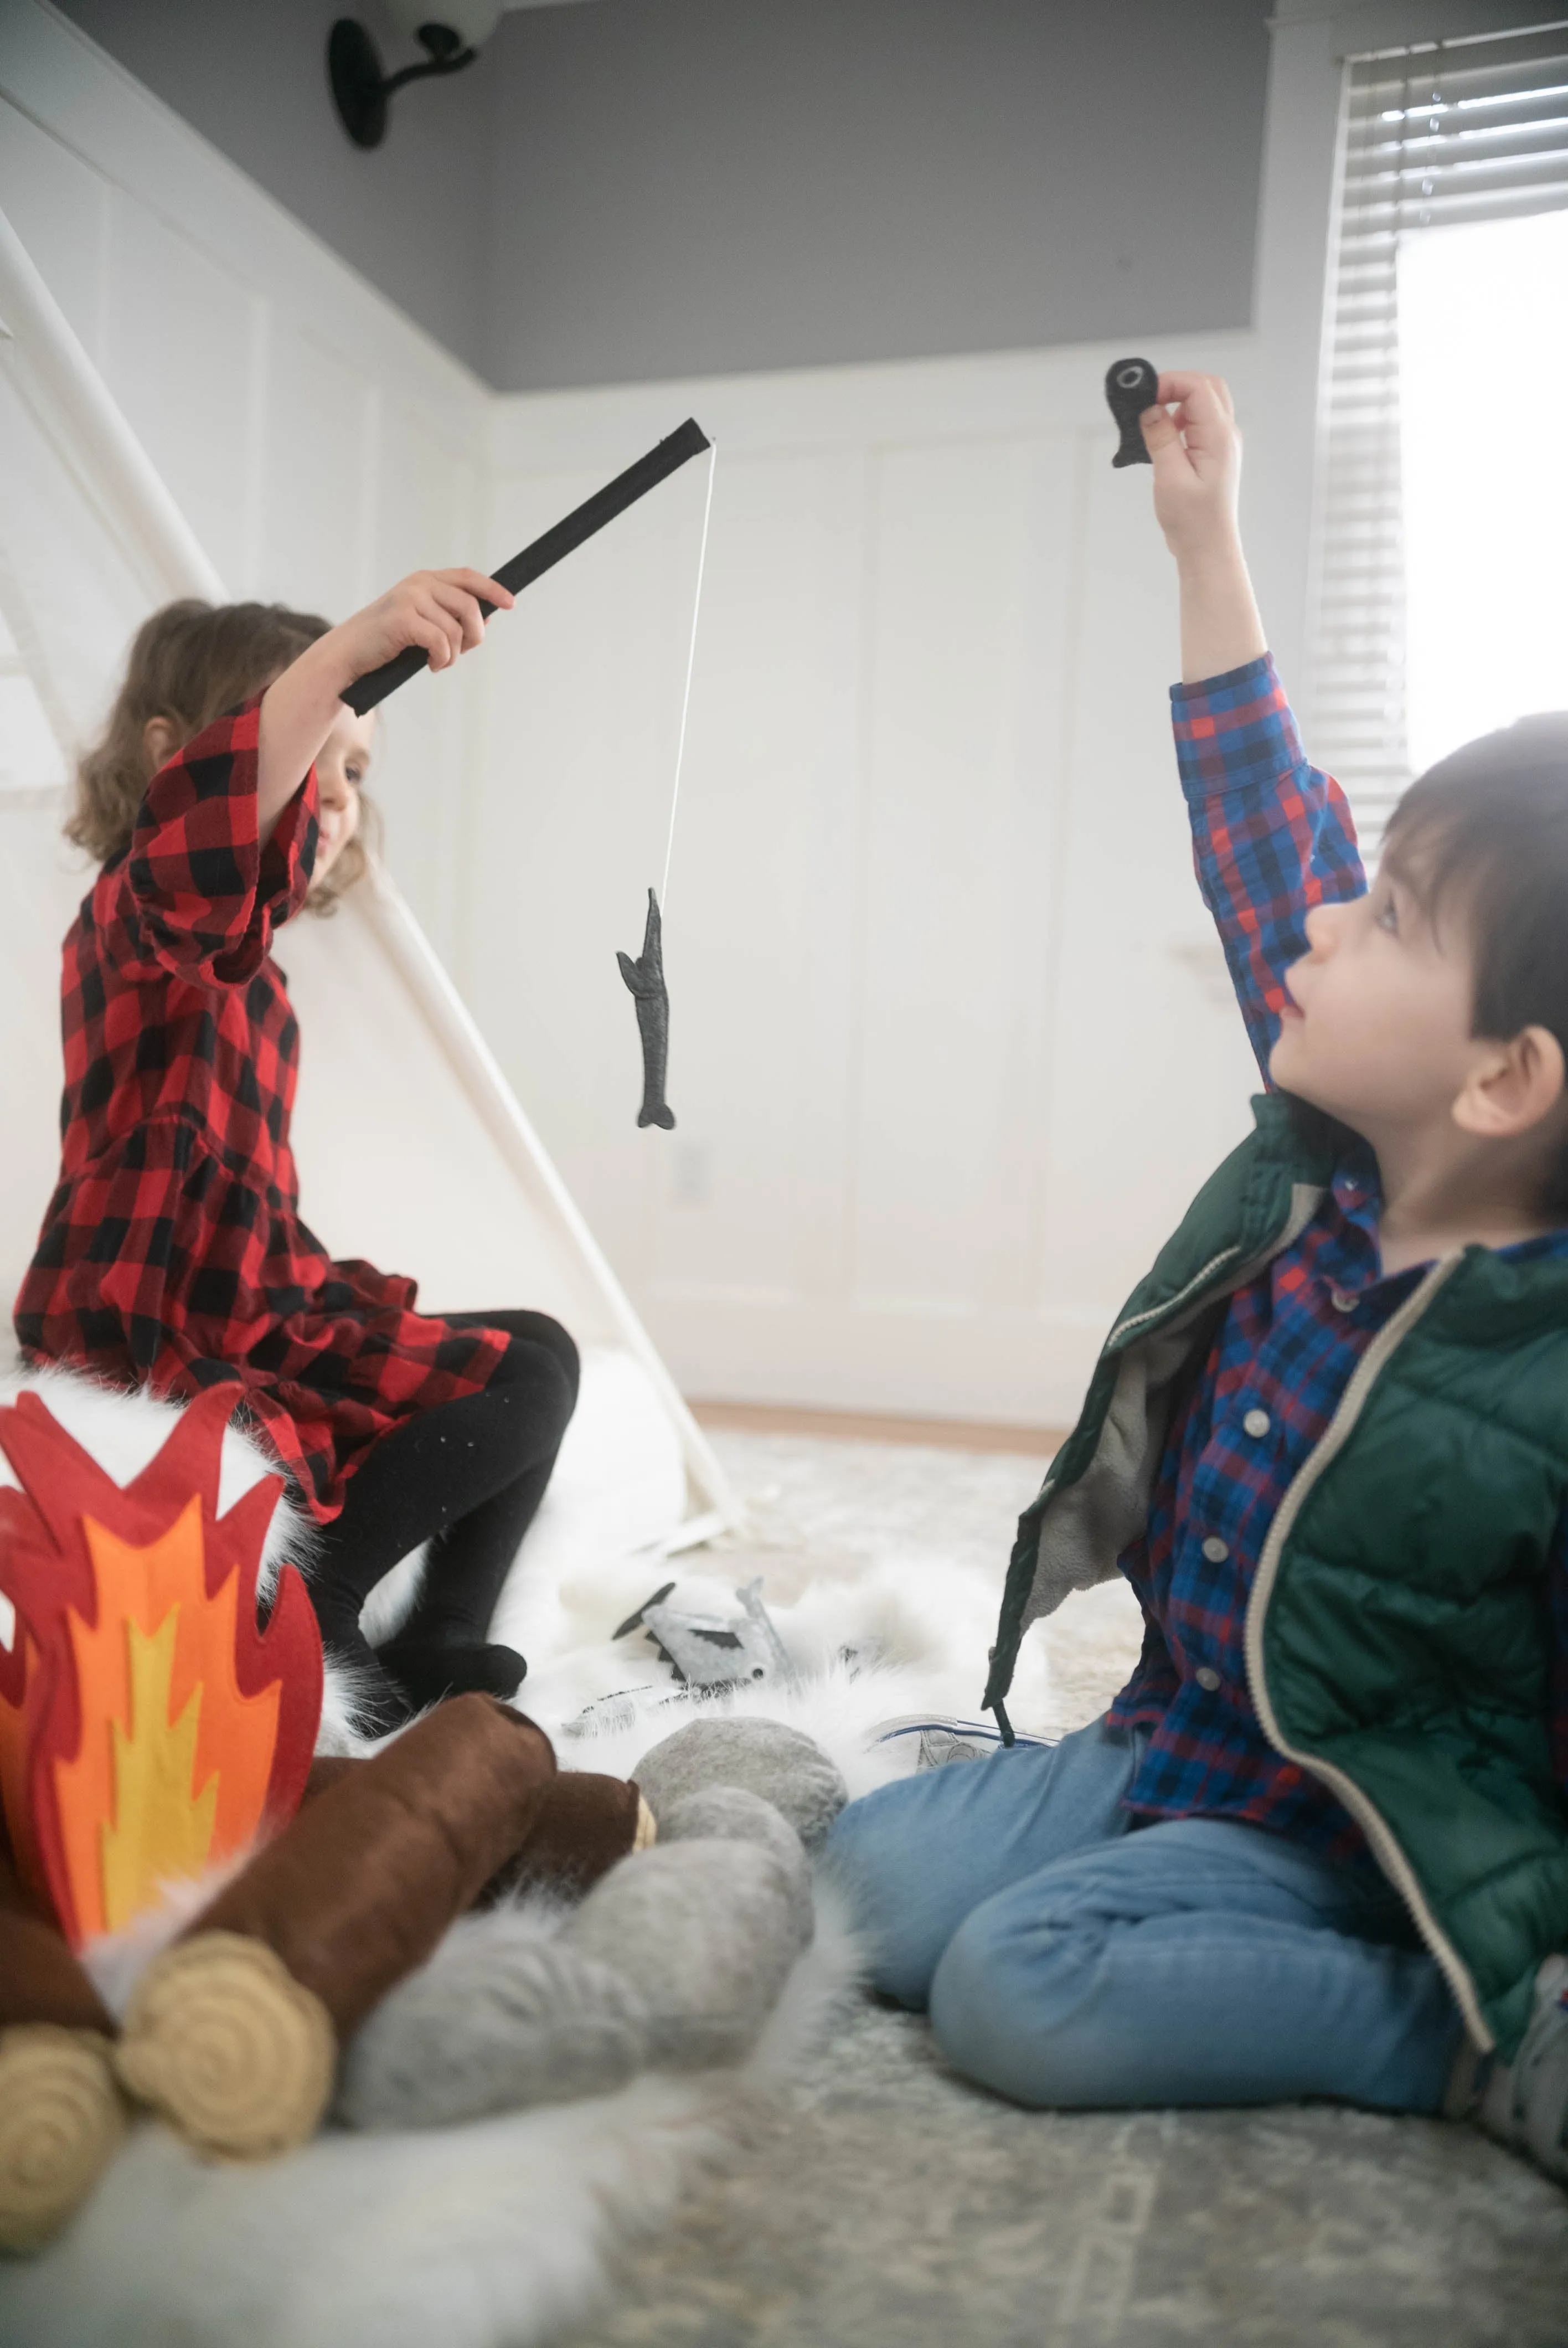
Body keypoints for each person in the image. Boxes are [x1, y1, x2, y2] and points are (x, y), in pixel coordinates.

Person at [826, 372, 1568, 2184]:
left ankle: (1464, 2037)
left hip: (1357, 1829)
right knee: (860, 1890)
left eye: (1386, 915)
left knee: (1020, 1991)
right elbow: (1263, 831)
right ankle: (1127, 1864)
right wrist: (1204, 534)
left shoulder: (1539, 1368)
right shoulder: (1330, 1164)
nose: (1322, 922)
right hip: (1170, 1744)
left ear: (1499, 1079)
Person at [16, 573, 581, 1733]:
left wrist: (329, 698)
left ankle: (438, 1632)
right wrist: (350, 651)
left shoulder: (264, 984)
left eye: (355, 771)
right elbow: (210, 840)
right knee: (515, 1371)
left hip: (254, 1289)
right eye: (313, 748)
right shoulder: (143, 916)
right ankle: (319, 1604)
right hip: (158, 1314)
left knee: (541, 1349)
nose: (334, 798)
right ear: (181, 759)